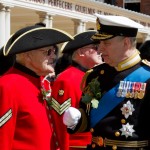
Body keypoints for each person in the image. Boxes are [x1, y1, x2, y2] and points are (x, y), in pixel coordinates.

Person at [63, 14, 150, 150]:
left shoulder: (147, 75)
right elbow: (88, 117)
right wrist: (76, 120)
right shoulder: (95, 75)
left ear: (126, 42)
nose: (100, 49)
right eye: (99, 43)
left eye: (106, 43)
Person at [0, 22, 73, 150]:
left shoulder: (40, 82)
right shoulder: (8, 85)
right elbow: (2, 139)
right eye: (48, 52)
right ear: (27, 55)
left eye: (54, 51)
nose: (54, 56)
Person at [50, 30, 103, 150]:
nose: (101, 50)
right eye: (96, 47)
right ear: (81, 52)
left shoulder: (93, 76)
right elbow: (60, 122)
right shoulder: (67, 79)